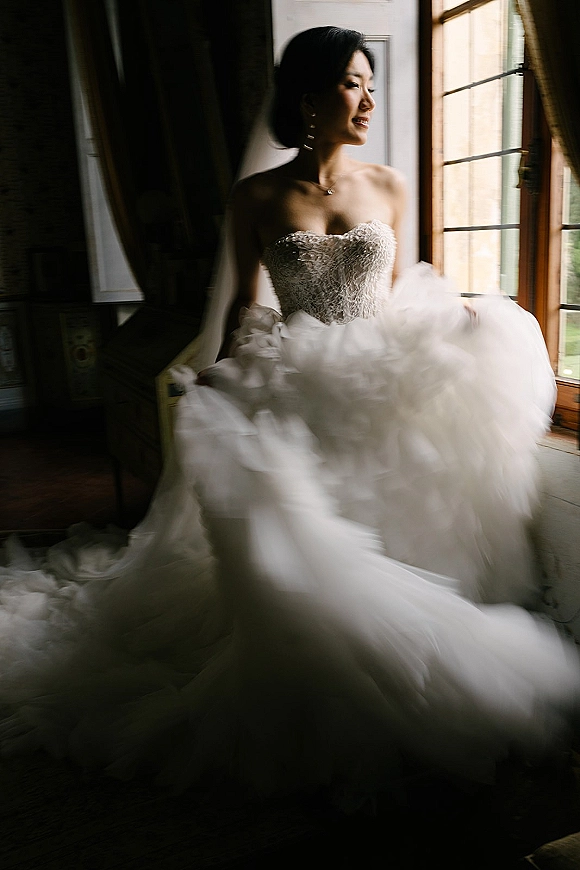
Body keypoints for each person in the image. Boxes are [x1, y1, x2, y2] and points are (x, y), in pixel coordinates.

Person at [0, 26, 578, 801]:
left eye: (372, 83)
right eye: (351, 83)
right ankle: (322, 652)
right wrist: (217, 374)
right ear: (308, 97)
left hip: (377, 373)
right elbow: (245, 301)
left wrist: (458, 321)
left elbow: (402, 290)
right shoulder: (259, 195)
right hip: (298, 373)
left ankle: (403, 641)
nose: (368, 98)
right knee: (296, 527)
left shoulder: (391, 186)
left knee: (397, 508)